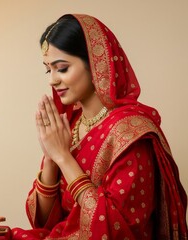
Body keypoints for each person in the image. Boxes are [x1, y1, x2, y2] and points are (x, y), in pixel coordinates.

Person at [12, 14, 188, 239]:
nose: (52, 80)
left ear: (97, 64)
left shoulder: (130, 133)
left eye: (62, 68)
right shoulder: (70, 125)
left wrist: (64, 158)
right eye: (49, 70)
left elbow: (115, 229)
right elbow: (45, 222)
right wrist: (50, 157)